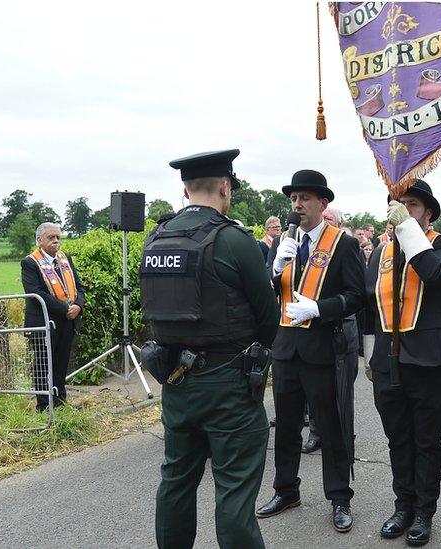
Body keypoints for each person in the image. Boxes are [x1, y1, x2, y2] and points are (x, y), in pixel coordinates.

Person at [144, 149, 280, 549]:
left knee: (175, 483)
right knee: (235, 492)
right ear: (225, 187)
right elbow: (270, 321)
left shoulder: (156, 239)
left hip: (176, 384)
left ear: (185, 189)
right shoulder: (233, 239)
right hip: (229, 387)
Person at [258, 169, 364, 533]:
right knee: (286, 426)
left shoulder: (343, 244)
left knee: (330, 426)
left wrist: (320, 308)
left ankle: (339, 497)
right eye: (293, 199)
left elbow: (356, 297)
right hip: (287, 347)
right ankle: (286, 490)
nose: (297, 205)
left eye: (304, 198)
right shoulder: (283, 243)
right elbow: (268, 293)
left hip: (321, 347)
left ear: (323, 202)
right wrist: (273, 269)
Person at [362, 180, 441, 546]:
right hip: (388, 360)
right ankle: (402, 505)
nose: (401, 210)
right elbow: (369, 307)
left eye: (412, 204)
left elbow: (438, 274)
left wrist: (407, 229)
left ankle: (424, 511)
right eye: (396, 204)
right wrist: (371, 353)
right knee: (397, 439)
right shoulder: (380, 253)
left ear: (428, 212)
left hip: (430, 361)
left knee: (426, 440)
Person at [302, 205, 362, 457]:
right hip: (307, 332)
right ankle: (316, 431)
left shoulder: (345, 245)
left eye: (329, 219)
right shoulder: (298, 243)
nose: (324, 221)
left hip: (342, 326)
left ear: (336, 223)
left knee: (342, 387)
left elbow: (357, 292)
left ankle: (344, 436)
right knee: (313, 390)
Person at [21, 221, 86, 412]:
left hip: (68, 321)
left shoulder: (65, 259)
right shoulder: (30, 263)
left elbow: (79, 288)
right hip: (44, 323)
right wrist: (65, 308)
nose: (56, 241)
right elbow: (35, 293)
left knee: (61, 364)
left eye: (58, 237)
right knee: (43, 365)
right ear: (39, 240)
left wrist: (78, 306)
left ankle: (60, 403)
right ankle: (44, 407)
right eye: (51, 237)